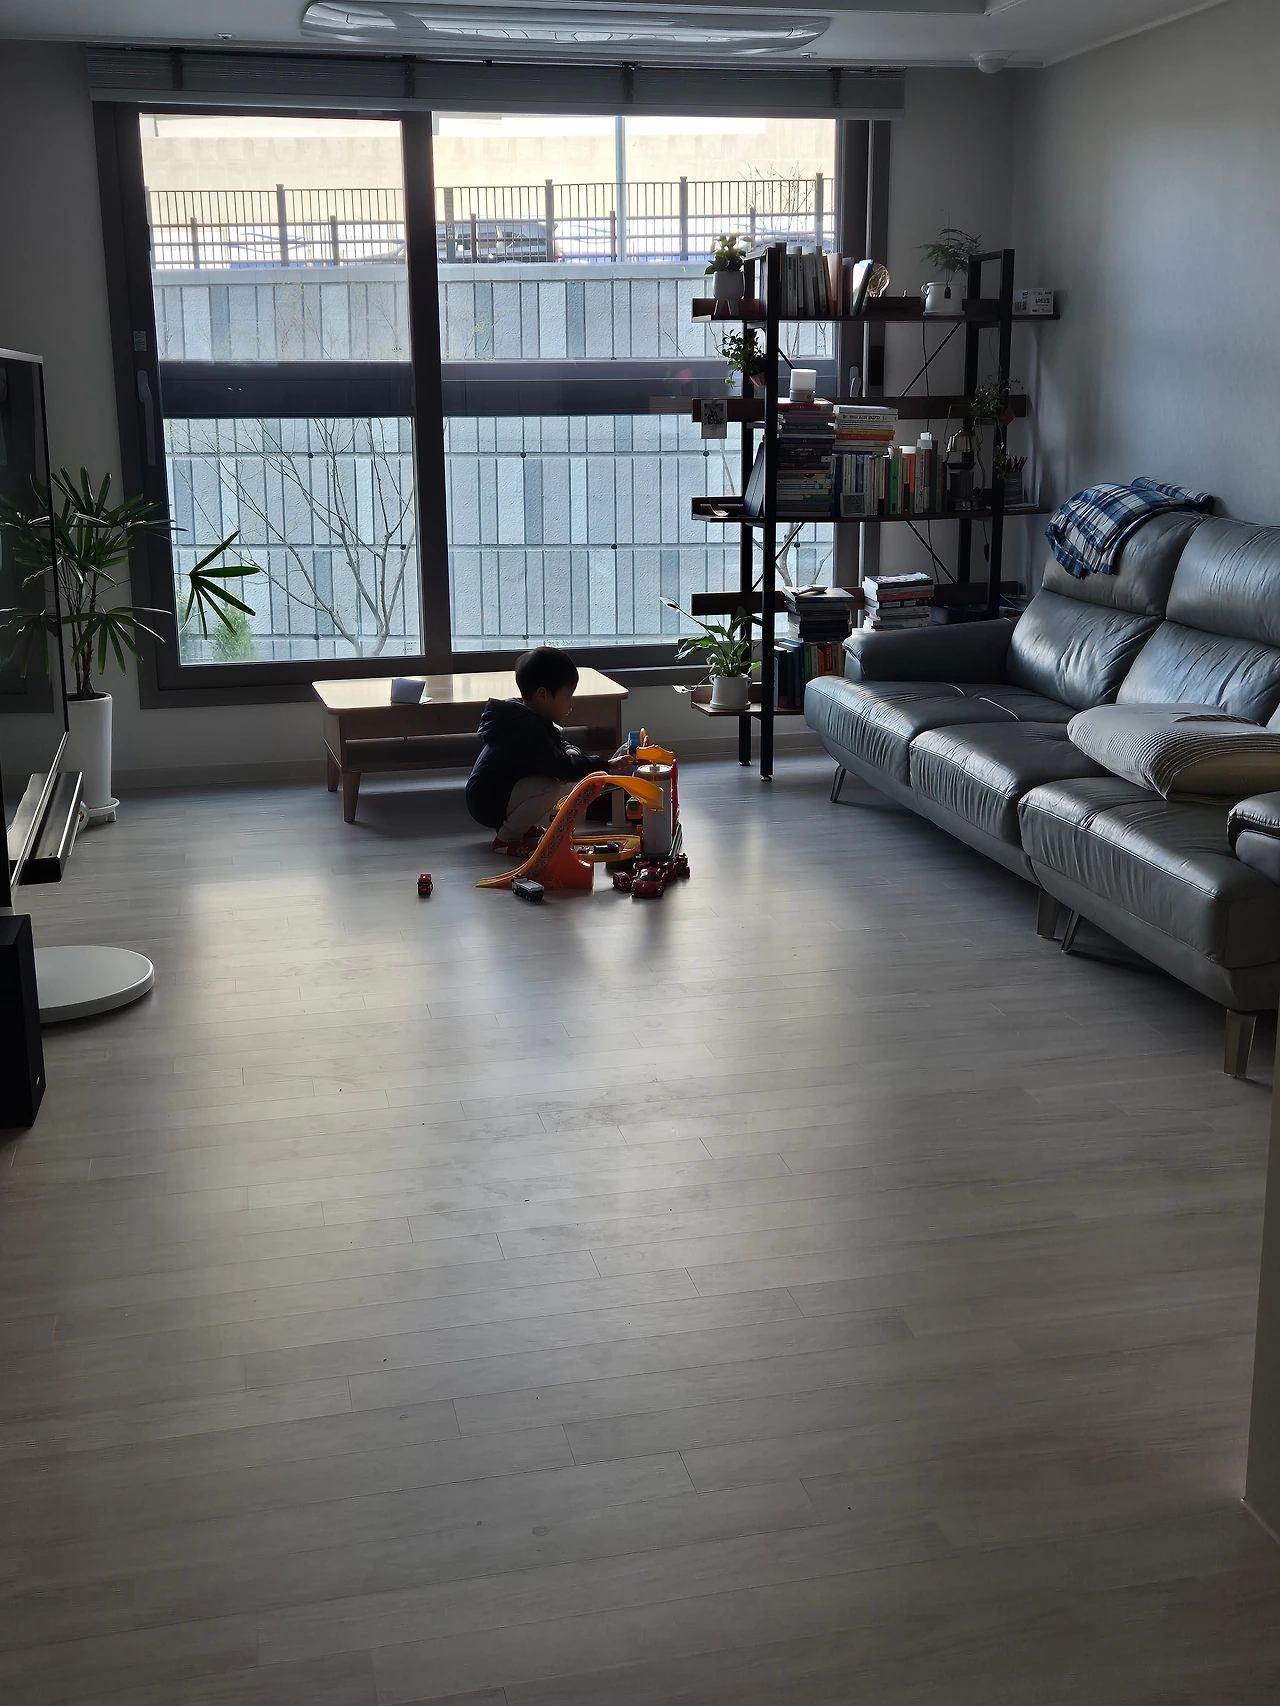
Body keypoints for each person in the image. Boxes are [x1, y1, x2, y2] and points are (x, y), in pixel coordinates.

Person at [466, 647, 609, 851]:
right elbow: (561, 768)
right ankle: (506, 839)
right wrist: (606, 765)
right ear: (543, 695)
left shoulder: (528, 716)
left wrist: (572, 751)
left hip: (492, 795)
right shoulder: (526, 729)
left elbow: (557, 744)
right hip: (487, 802)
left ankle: (519, 827)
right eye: (568, 696)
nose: (572, 703)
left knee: (550, 780)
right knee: (549, 786)